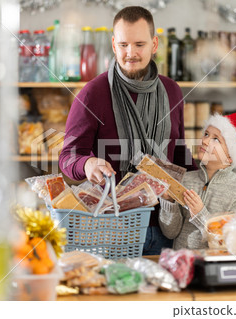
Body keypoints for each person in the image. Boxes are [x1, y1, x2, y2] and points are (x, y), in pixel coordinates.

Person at [59, 6, 197, 255]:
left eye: (139, 44)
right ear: (113, 45)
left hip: (167, 228)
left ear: (155, 44)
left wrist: (208, 177)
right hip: (113, 228)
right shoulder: (93, 93)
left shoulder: (172, 91)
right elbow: (68, 156)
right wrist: (87, 164)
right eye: (123, 45)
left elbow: (178, 153)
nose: (130, 53)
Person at [158, 113, 236, 250]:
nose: (205, 141)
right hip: (180, 263)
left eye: (216, 139)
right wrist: (169, 203)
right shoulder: (185, 180)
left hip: (214, 267)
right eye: (206, 134)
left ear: (230, 156)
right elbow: (170, 233)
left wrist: (200, 214)